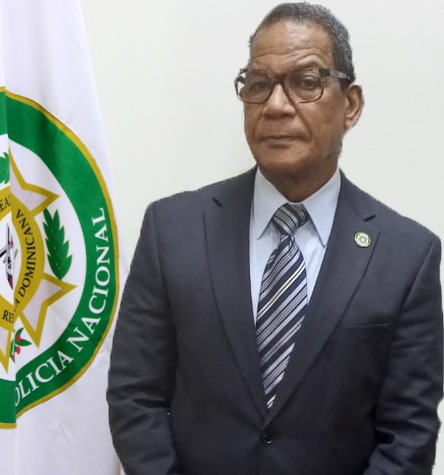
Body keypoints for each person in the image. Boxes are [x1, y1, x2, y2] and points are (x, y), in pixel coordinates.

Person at [107, 3, 443, 474]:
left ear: (350, 105)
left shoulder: (407, 256)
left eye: (306, 82)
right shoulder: (172, 230)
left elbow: (407, 435)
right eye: (258, 84)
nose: (276, 105)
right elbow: (134, 397)